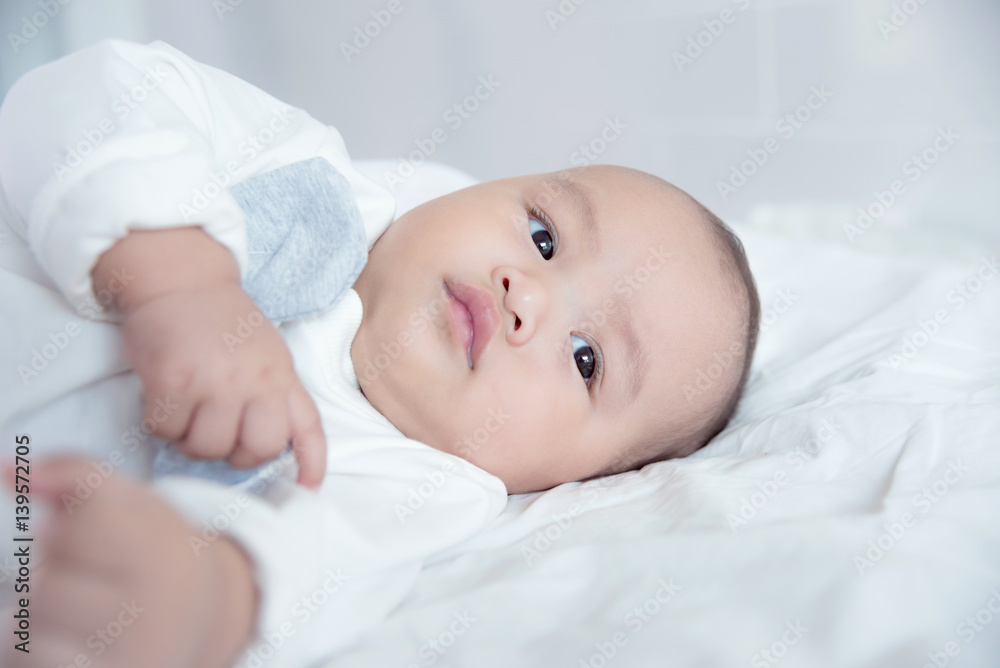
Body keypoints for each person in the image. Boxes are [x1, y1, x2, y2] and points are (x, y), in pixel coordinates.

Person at [0, 38, 759, 667]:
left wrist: (201, 595)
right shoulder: (307, 182)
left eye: (587, 358)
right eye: (544, 237)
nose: (526, 294)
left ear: (571, 479)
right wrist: (182, 285)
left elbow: (311, 571)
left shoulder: (419, 485)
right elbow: (88, 93)